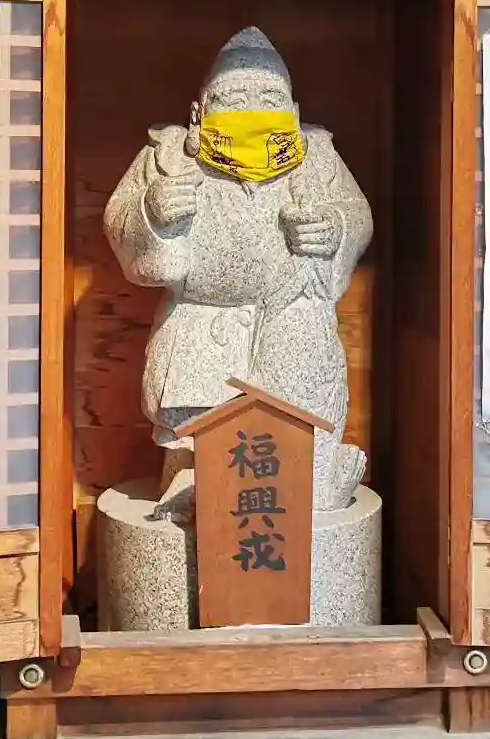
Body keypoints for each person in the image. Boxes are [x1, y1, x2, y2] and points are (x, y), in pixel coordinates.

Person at [104, 26, 371, 513]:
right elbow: (119, 222)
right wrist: (153, 212)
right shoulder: (165, 157)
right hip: (203, 321)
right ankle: (190, 478)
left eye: (269, 98)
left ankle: (312, 479)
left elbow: (357, 217)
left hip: (291, 316)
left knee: (301, 399)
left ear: (294, 112)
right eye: (233, 98)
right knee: (197, 432)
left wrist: (333, 229)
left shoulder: (318, 159)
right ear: (198, 113)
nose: (252, 109)